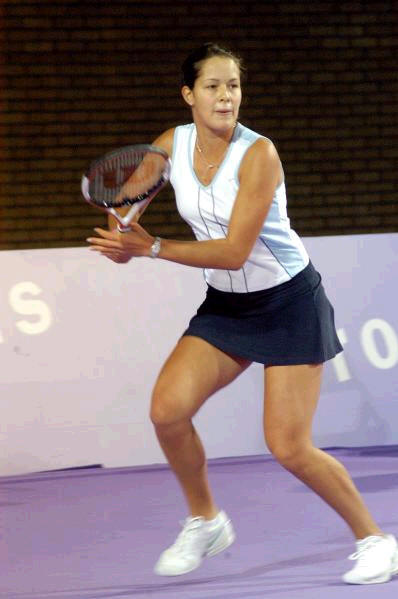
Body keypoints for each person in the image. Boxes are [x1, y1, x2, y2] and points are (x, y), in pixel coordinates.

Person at [87, 43, 398, 585]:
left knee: (289, 446)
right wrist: (122, 237)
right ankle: (206, 521)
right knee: (167, 411)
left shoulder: (260, 155)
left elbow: (233, 251)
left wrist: (152, 247)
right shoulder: (171, 145)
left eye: (232, 85)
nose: (225, 95)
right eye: (212, 86)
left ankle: (375, 539)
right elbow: (132, 207)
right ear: (189, 95)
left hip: (289, 302)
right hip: (228, 305)